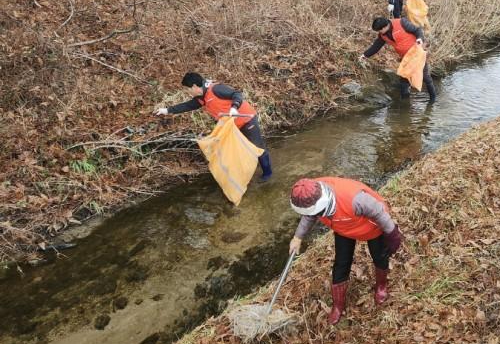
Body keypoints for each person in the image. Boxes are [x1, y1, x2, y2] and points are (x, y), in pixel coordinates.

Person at [288, 177, 403, 325]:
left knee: (380, 257)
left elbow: (380, 213)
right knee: (341, 264)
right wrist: (298, 237)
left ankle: (381, 286)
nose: (313, 214)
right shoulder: (308, 193)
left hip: (372, 228)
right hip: (344, 229)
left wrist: (393, 235)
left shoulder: (356, 199)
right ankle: (338, 305)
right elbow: (309, 215)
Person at [154, 72, 273, 180]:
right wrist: (167, 110)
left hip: (246, 120)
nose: (188, 92)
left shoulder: (216, 89)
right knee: (237, 150)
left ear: (195, 86)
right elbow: (188, 106)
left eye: (188, 89)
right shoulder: (201, 98)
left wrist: (234, 107)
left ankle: (267, 173)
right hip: (231, 126)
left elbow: (236, 94)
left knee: (258, 148)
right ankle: (245, 172)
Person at [359, 17, 437, 102]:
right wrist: (365, 55)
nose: (379, 32)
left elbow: (417, 30)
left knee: (425, 77)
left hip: (416, 53)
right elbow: (376, 46)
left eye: (379, 30)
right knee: (404, 76)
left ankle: (433, 99)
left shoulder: (401, 23)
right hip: (405, 57)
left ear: (385, 27)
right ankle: (405, 101)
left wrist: (419, 38)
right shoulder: (383, 35)